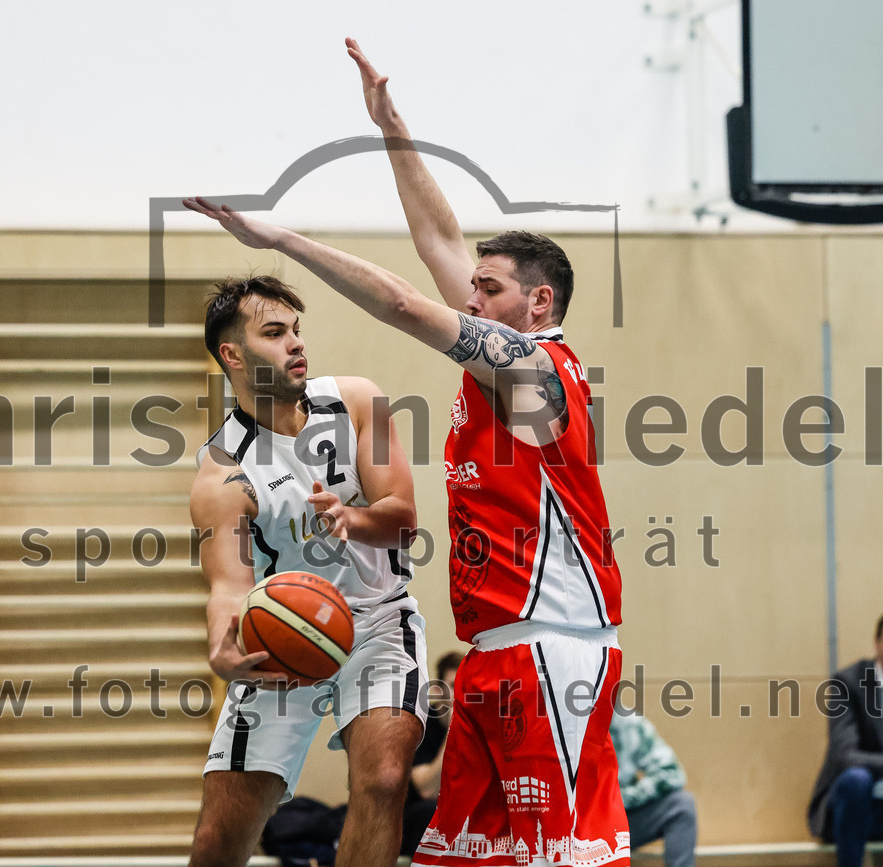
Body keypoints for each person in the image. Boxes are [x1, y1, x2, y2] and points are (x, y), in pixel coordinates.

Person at [183, 33, 629, 856]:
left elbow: (400, 300)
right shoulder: (498, 353)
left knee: (562, 851)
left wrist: (281, 241)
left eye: (485, 290)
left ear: (536, 303)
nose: (467, 294)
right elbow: (437, 238)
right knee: (461, 850)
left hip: (552, 645)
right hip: (493, 652)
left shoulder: (532, 368)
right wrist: (392, 130)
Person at [188, 275, 429, 867]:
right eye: (275, 332)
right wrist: (222, 645)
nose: (296, 343)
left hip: (376, 621)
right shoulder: (222, 474)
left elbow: (402, 519)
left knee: (386, 778)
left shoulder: (357, 401)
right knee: (219, 841)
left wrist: (353, 518)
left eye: (298, 330)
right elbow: (229, 587)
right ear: (233, 354)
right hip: (282, 641)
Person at [808, 614, 883, 867]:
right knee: (856, 779)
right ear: (878, 643)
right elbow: (845, 756)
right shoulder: (848, 682)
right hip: (852, 803)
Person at [609, 712, 697, 867]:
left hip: (619, 821)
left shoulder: (629, 723)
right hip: (574, 828)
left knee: (682, 806)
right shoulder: (561, 725)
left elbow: (671, 774)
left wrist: (620, 800)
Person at [402, 651, 463, 855]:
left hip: (458, 809)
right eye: (455, 685)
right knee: (431, 811)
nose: (462, 691)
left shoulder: (480, 726)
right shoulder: (422, 723)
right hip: (415, 815)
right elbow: (427, 789)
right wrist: (454, 730)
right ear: (438, 690)